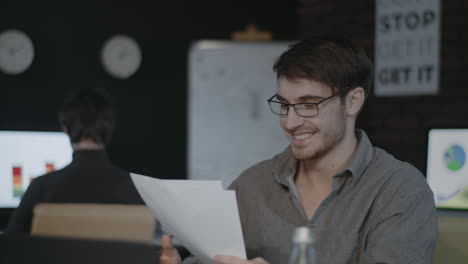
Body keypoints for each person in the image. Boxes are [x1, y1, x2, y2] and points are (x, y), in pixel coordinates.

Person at [161, 36, 438, 264]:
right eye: (284, 105)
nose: (290, 122)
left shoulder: (401, 190)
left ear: (353, 102)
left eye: (308, 105)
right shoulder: (250, 185)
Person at [6, 88, 144, 233]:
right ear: (109, 128)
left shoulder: (42, 188)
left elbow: (10, 247)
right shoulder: (136, 190)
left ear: (65, 128)